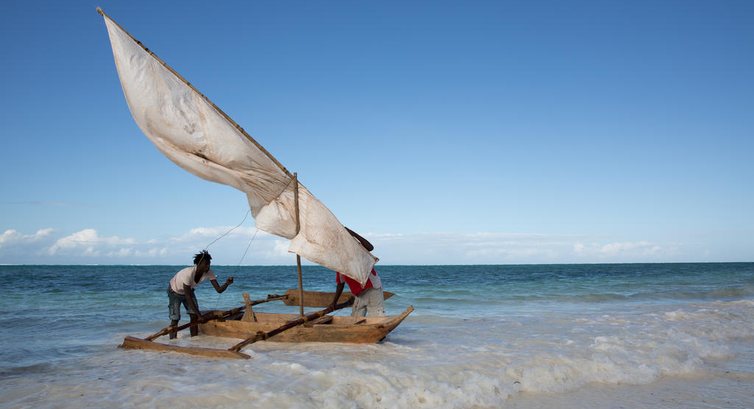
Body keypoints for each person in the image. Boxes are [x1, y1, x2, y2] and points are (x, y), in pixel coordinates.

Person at [167, 250, 233, 339]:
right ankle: (172, 341)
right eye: (206, 264)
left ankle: (194, 339)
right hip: (174, 292)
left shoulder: (209, 272)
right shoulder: (188, 273)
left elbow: (219, 290)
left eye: (209, 264)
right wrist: (200, 316)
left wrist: (227, 283)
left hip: (188, 291)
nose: (208, 266)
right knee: (175, 318)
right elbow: (188, 296)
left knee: (194, 316)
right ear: (199, 264)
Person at [330, 228, 385, 317]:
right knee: (355, 318)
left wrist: (352, 233)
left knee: (376, 318)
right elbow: (340, 284)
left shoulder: (356, 250)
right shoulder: (340, 264)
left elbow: (370, 247)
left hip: (372, 288)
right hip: (359, 294)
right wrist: (334, 303)